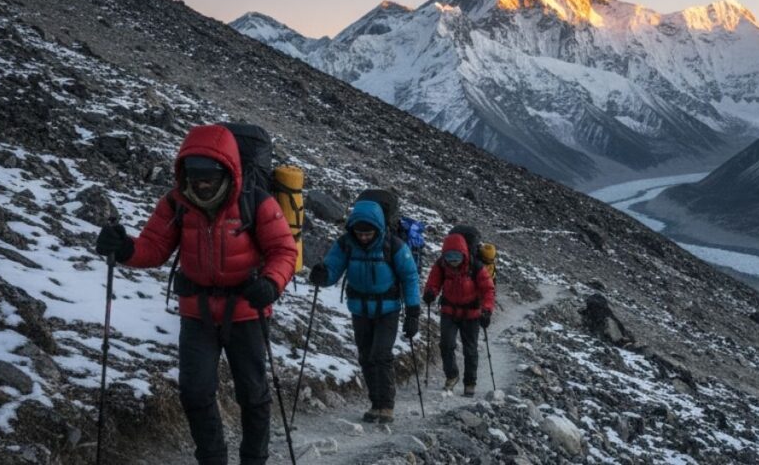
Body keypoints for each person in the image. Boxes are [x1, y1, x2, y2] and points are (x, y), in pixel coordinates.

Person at [94, 124, 297, 465]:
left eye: (208, 177)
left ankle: (254, 460)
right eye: (194, 176)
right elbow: (154, 247)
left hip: (246, 311)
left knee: (253, 394)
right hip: (197, 313)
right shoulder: (177, 202)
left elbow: (284, 250)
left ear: (226, 171)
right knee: (195, 392)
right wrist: (125, 248)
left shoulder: (256, 201)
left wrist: (271, 283)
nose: (200, 184)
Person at [308, 200, 420, 423]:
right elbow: (333, 269)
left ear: (378, 229)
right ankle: (375, 404)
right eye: (360, 233)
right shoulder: (346, 244)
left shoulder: (394, 246)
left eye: (368, 233)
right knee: (366, 357)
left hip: (388, 310)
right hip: (359, 310)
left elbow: (410, 278)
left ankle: (386, 405)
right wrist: (321, 275)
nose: (364, 237)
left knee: (381, 355)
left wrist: (413, 313)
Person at [421, 232, 495, 397]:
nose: (453, 260)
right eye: (449, 256)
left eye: (457, 256)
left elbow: (488, 290)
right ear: (444, 255)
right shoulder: (441, 265)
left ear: (464, 254)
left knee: (470, 350)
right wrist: (431, 292)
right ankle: (452, 375)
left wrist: (487, 310)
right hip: (449, 312)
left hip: (472, 314)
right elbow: (433, 281)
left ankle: (470, 382)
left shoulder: (476, 267)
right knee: (446, 344)